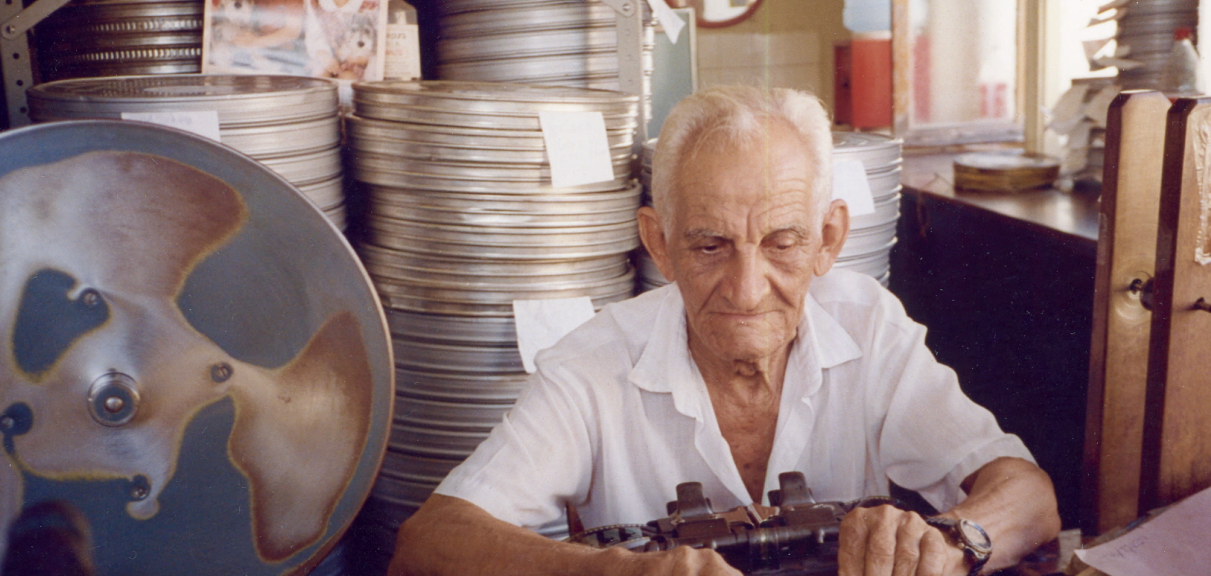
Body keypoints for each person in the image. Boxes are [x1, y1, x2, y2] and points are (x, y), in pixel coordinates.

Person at [389, 86, 1060, 576]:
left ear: (829, 239)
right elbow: (427, 542)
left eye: (781, 244)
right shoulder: (591, 365)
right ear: (659, 242)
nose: (746, 289)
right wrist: (622, 571)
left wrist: (952, 541)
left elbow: (1029, 497)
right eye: (710, 246)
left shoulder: (868, 325)